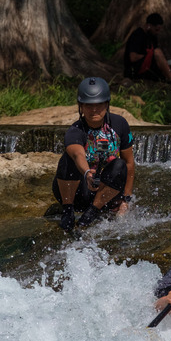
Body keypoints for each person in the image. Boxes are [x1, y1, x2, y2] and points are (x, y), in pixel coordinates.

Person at [52, 77, 135, 231]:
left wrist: (126, 199)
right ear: (81, 107)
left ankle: (93, 211)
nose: (94, 110)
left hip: (106, 194)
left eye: (99, 105)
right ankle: (68, 210)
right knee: (67, 159)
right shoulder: (75, 130)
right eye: (89, 106)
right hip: (80, 192)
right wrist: (87, 174)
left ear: (107, 104)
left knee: (120, 165)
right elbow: (78, 155)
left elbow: (129, 163)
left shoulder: (120, 125)